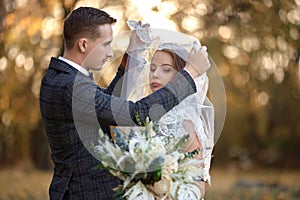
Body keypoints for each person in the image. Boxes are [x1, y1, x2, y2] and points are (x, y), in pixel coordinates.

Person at [39, 7, 210, 200]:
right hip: (86, 192)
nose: (110, 53)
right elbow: (138, 113)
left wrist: (133, 55)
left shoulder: (62, 78)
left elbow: (106, 109)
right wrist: (190, 74)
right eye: (106, 44)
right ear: (84, 45)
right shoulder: (71, 86)